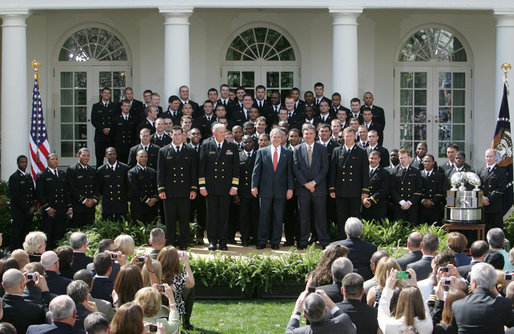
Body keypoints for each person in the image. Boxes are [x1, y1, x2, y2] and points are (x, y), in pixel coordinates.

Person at [197, 123, 239, 251]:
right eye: (220, 132)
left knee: (224, 216)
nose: (223, 134)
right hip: (210, 187)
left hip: (226, 187)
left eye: (224, 131)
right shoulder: (206, 145)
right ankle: (212, 241)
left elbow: (236, 168)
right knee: (211, 216)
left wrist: (234, 186)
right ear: (214, 133)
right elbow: (201, 167)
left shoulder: (232, 146)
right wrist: (202, 185)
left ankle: (223, 241)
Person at [252, 128, 294, 250]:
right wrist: (254, 186)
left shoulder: (288, 153)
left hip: (281, 190)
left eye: (278, 137)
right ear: (270, 138)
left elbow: (289, 173)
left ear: (282, 139)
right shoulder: (262, 151)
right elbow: (256, 171)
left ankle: (275, 241)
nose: (276, 139)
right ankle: (262, 241)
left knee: (278, 217)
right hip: (265, 190)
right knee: (264, 217)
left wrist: (290, 188)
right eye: (274, 137)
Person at [157, 125, 197, 250]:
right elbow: (160, 172)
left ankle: (184, 242)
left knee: (184, 219)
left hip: (185, 191)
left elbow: (193, 172)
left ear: (183, 135)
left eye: (179, 134)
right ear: (171, 135)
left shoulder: (190, 150)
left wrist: (193, 188)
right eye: (175, 134)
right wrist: (161, 189)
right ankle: (171, 242)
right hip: (169, 192)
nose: (177, 136)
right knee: (170, 219)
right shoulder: (163, 151)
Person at [293, 124, 330, 249]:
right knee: (303, 217)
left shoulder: (322, 149)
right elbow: (296, 169)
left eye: (311, 133)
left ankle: (323, 240)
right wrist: (306, 184)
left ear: (315, 135)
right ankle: (303, 241)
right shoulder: (297, 149)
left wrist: (314, 183)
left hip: (319, 188)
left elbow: (325, 169)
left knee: (321, 216)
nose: (308, 136)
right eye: (306, 133)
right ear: (303, 135)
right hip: (303, 189)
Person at [329, 127, 369, 239]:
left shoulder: (361, 151)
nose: (349, 138)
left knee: (355, 216)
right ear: (343, 136)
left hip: (355, 190)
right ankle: (342, 238)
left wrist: (365, 190)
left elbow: (365, 172)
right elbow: (333, 171)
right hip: (340, 190)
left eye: (351, 136)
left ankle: (355, 239)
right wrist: (332, 188)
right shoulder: (337, 151)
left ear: (355, 137)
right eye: (347, 136)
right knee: (341, 217)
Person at [452, 263, 513, 333]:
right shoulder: (503, 304)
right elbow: (511, 323)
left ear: (474, 283)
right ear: (493, 283)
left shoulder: (457, 306)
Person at [377, 269, 433, 334]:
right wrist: (415, 286)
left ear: (400, 303)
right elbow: (426, 310)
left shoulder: (390, 326)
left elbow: (382, 311)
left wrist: (388, 287)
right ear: (419, 302)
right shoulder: (427, 325)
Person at [36, 153, 72, 249]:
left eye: (56, 159)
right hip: (49, 211)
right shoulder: (42, 175)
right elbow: (40, 194)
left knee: (59, 235)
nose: (55, 161)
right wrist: (47, 208)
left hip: (60, 210)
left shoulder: (61, 174)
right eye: (52, 159)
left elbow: (66, 192)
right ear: (47, 161)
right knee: (48, 235)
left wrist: (69, 207)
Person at [157, 247, 195, 329]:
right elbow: (191, 283)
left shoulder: (156, 274)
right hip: (174, 310)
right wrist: (186, 262)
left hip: (157, 309)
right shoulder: (179, 278)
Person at [286, 289, 356, 334]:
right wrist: (331, 304)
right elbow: (352, 328)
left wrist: (297, 310)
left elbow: (289, 332)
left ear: (305, 316)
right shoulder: (343, 322)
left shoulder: (302, 332)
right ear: (325, 311)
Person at [2, 268, 46, 333]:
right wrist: (45, 290)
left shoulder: (1, 308)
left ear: (3, 285)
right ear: (22, 285)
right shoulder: (36, 310)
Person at [8, 154, 37, 250]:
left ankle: (25, 253)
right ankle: (15, 254)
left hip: (29, 212)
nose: (24, 164)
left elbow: (33, 193)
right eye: (22, 162)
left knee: (26, 234)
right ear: (17, 163)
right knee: (17, 235)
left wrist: (33, 206)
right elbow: (16, 196)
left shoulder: (28, 177)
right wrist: (27, 209)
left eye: (25, 162)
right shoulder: (14, 177)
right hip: (19, 212)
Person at [235, 135, 259, 246]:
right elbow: (236, 175)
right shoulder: (238, 155)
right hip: (243, 192)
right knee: (243, 217)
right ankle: (244, 238)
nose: (247, 144)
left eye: (249, 142)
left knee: (255, 216)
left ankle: (255, 237)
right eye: (245, 142)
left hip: (255, 192)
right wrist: (236, 193)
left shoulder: (258, 154)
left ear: (253, 143)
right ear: (242, 143)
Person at [66, 148, 98, 228]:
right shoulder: (72, 169)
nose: (86, 158)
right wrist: (84, 200)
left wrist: (93, 200)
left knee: (90, 231)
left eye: (88, 156)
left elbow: (96, 187)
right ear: (78, 156)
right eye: (84, 155)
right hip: (78, 207)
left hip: (90, 208)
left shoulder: (92, 170)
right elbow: (72, 188)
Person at [97, 147, 130, 222]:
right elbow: (100, 187)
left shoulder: (124, 168)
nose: (112, 156)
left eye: (114, 154)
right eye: (109, 154)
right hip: (108, 203)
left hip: (121, 203)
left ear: (116, 155)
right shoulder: (101, 170)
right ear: (106, 155)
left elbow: (126, 186)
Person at [391, 148, 422, 225]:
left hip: (412, 205)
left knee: (412, 227)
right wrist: (401, 202)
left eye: (405, 157)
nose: (403, 160)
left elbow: (419, 189)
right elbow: (392, 189)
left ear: (409, 157)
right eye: (401, 158)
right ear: (399, 158)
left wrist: (409, 202)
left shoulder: (415, 171)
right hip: (399, 205)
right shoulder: (394, 171)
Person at [127, 149, 159, 224]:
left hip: (152, 206)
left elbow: (156, 186)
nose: (144, 159)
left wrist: (155, 198)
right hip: (139, 206)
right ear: (136, 157)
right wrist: (147, 200)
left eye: (146, 157)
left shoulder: (152, 171)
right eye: (141, 157)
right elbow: (135, 190)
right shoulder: (132, 172)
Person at [479, 148, 507, 230]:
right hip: (483, 206)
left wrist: (488, 198)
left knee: (497, 232)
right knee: (483, 232)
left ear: (495, 157)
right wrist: (482, 198)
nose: (488, 158)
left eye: (490, 156)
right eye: (487, 156)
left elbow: (501, 189)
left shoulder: (501, 171)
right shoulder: (480, 171)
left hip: (495, 206)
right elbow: (477, 187)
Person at [362, 150, 390, 222]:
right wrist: (363, 199)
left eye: (375, 158)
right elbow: (359, 186)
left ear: (379, 159)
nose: (373, 160)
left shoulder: (384, 173)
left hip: (378, 206)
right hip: (364, 205)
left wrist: (371, 199)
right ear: (368, 158)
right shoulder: (363, 171)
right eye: (371, 158)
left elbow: (384, 190)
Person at [91, 87, 114, 168]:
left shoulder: (114, 106)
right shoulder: (96, 106)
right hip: (100, 136)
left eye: (108, 93)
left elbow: (116, 120)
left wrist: (110, 129)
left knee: (112, 159)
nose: (107, 95)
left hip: (111, 136)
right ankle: (99, 178)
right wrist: (102, 129)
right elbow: (94, 120)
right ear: (101, 94)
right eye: (105, 93)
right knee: (99, 159)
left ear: (110, 95)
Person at [419, 154, 444, 224]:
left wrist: (432, 201)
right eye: (425, 161)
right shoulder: (419, 174)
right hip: (421, 207)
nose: (427, 163)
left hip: (435, 207)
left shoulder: (439, 175)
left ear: (433, 162)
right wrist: (423, 200)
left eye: (429, 161)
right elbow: (417, 189)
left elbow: (440, 191)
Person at [112, 99, 139, 164]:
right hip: (120, 147)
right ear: (121, 107)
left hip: (131, 146)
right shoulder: (116, 118)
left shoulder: (134, 118)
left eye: (128, 106)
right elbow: (112, 134)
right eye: (125, 106)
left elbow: (135, 133)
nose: (126, 108)